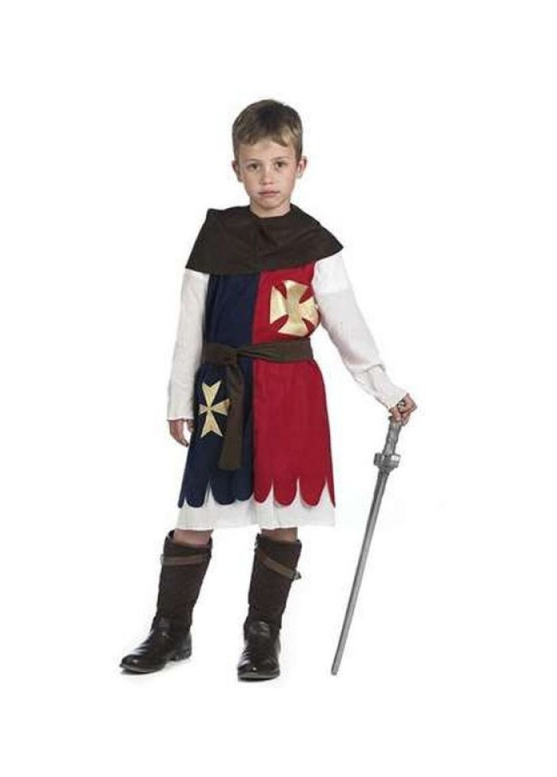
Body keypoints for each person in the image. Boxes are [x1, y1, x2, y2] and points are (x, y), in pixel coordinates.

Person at [120, 98, 416, 681]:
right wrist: (178, 399)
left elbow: (347, 326)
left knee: (282, 514)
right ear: (236, 169)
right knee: (195, 514)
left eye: (279, 164)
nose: (267, 178)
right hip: (222, 394)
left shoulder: (316, 244)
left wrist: (384, 388)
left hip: (289, 394)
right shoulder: (216, 237)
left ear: (300, 166)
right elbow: (190, 325)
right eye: (254, 166)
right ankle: (170, 629)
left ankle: (263, 635)